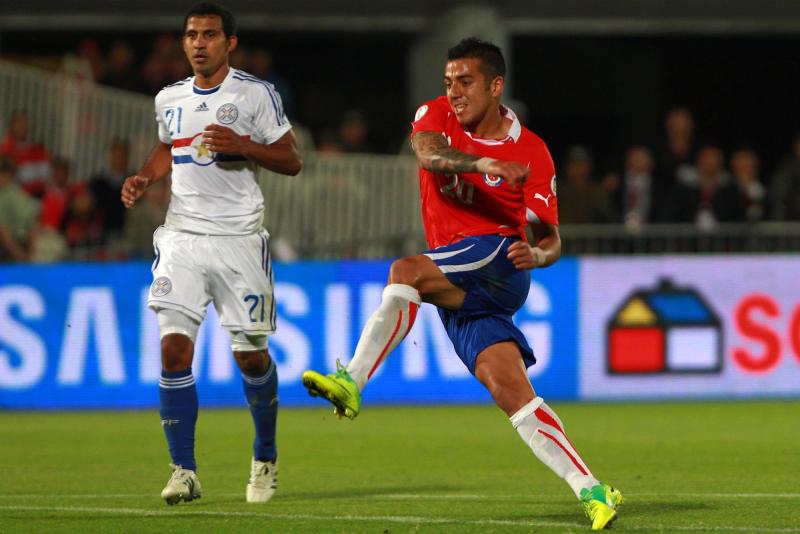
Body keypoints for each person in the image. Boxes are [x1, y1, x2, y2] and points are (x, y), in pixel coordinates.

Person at [301, 37, 622, 531]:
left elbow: (551, 238)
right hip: (458, 277)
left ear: (496, 86)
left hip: (499, 259)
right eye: (449, 82)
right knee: (509, 390)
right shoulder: (434, 115)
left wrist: (538, 254)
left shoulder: (532, 150)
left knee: (405, 272)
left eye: (466, 82)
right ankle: (594, 490)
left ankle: (352, 382)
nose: (453, 92)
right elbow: (430, 156)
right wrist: (481, 164)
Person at [120, 2, 302, 506]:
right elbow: (167, 146)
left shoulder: (255, 94)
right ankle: (185, 470)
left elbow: (291, 159)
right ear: (184, 42)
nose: (199, 42)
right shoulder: (168, 98)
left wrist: (245, 145)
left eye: (210, 35)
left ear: (230, 43)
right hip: (181, 236)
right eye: (192, 35)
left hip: (239, 240)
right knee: (174, 348)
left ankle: (264, 455)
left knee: (250, 356)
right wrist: (145, 176)